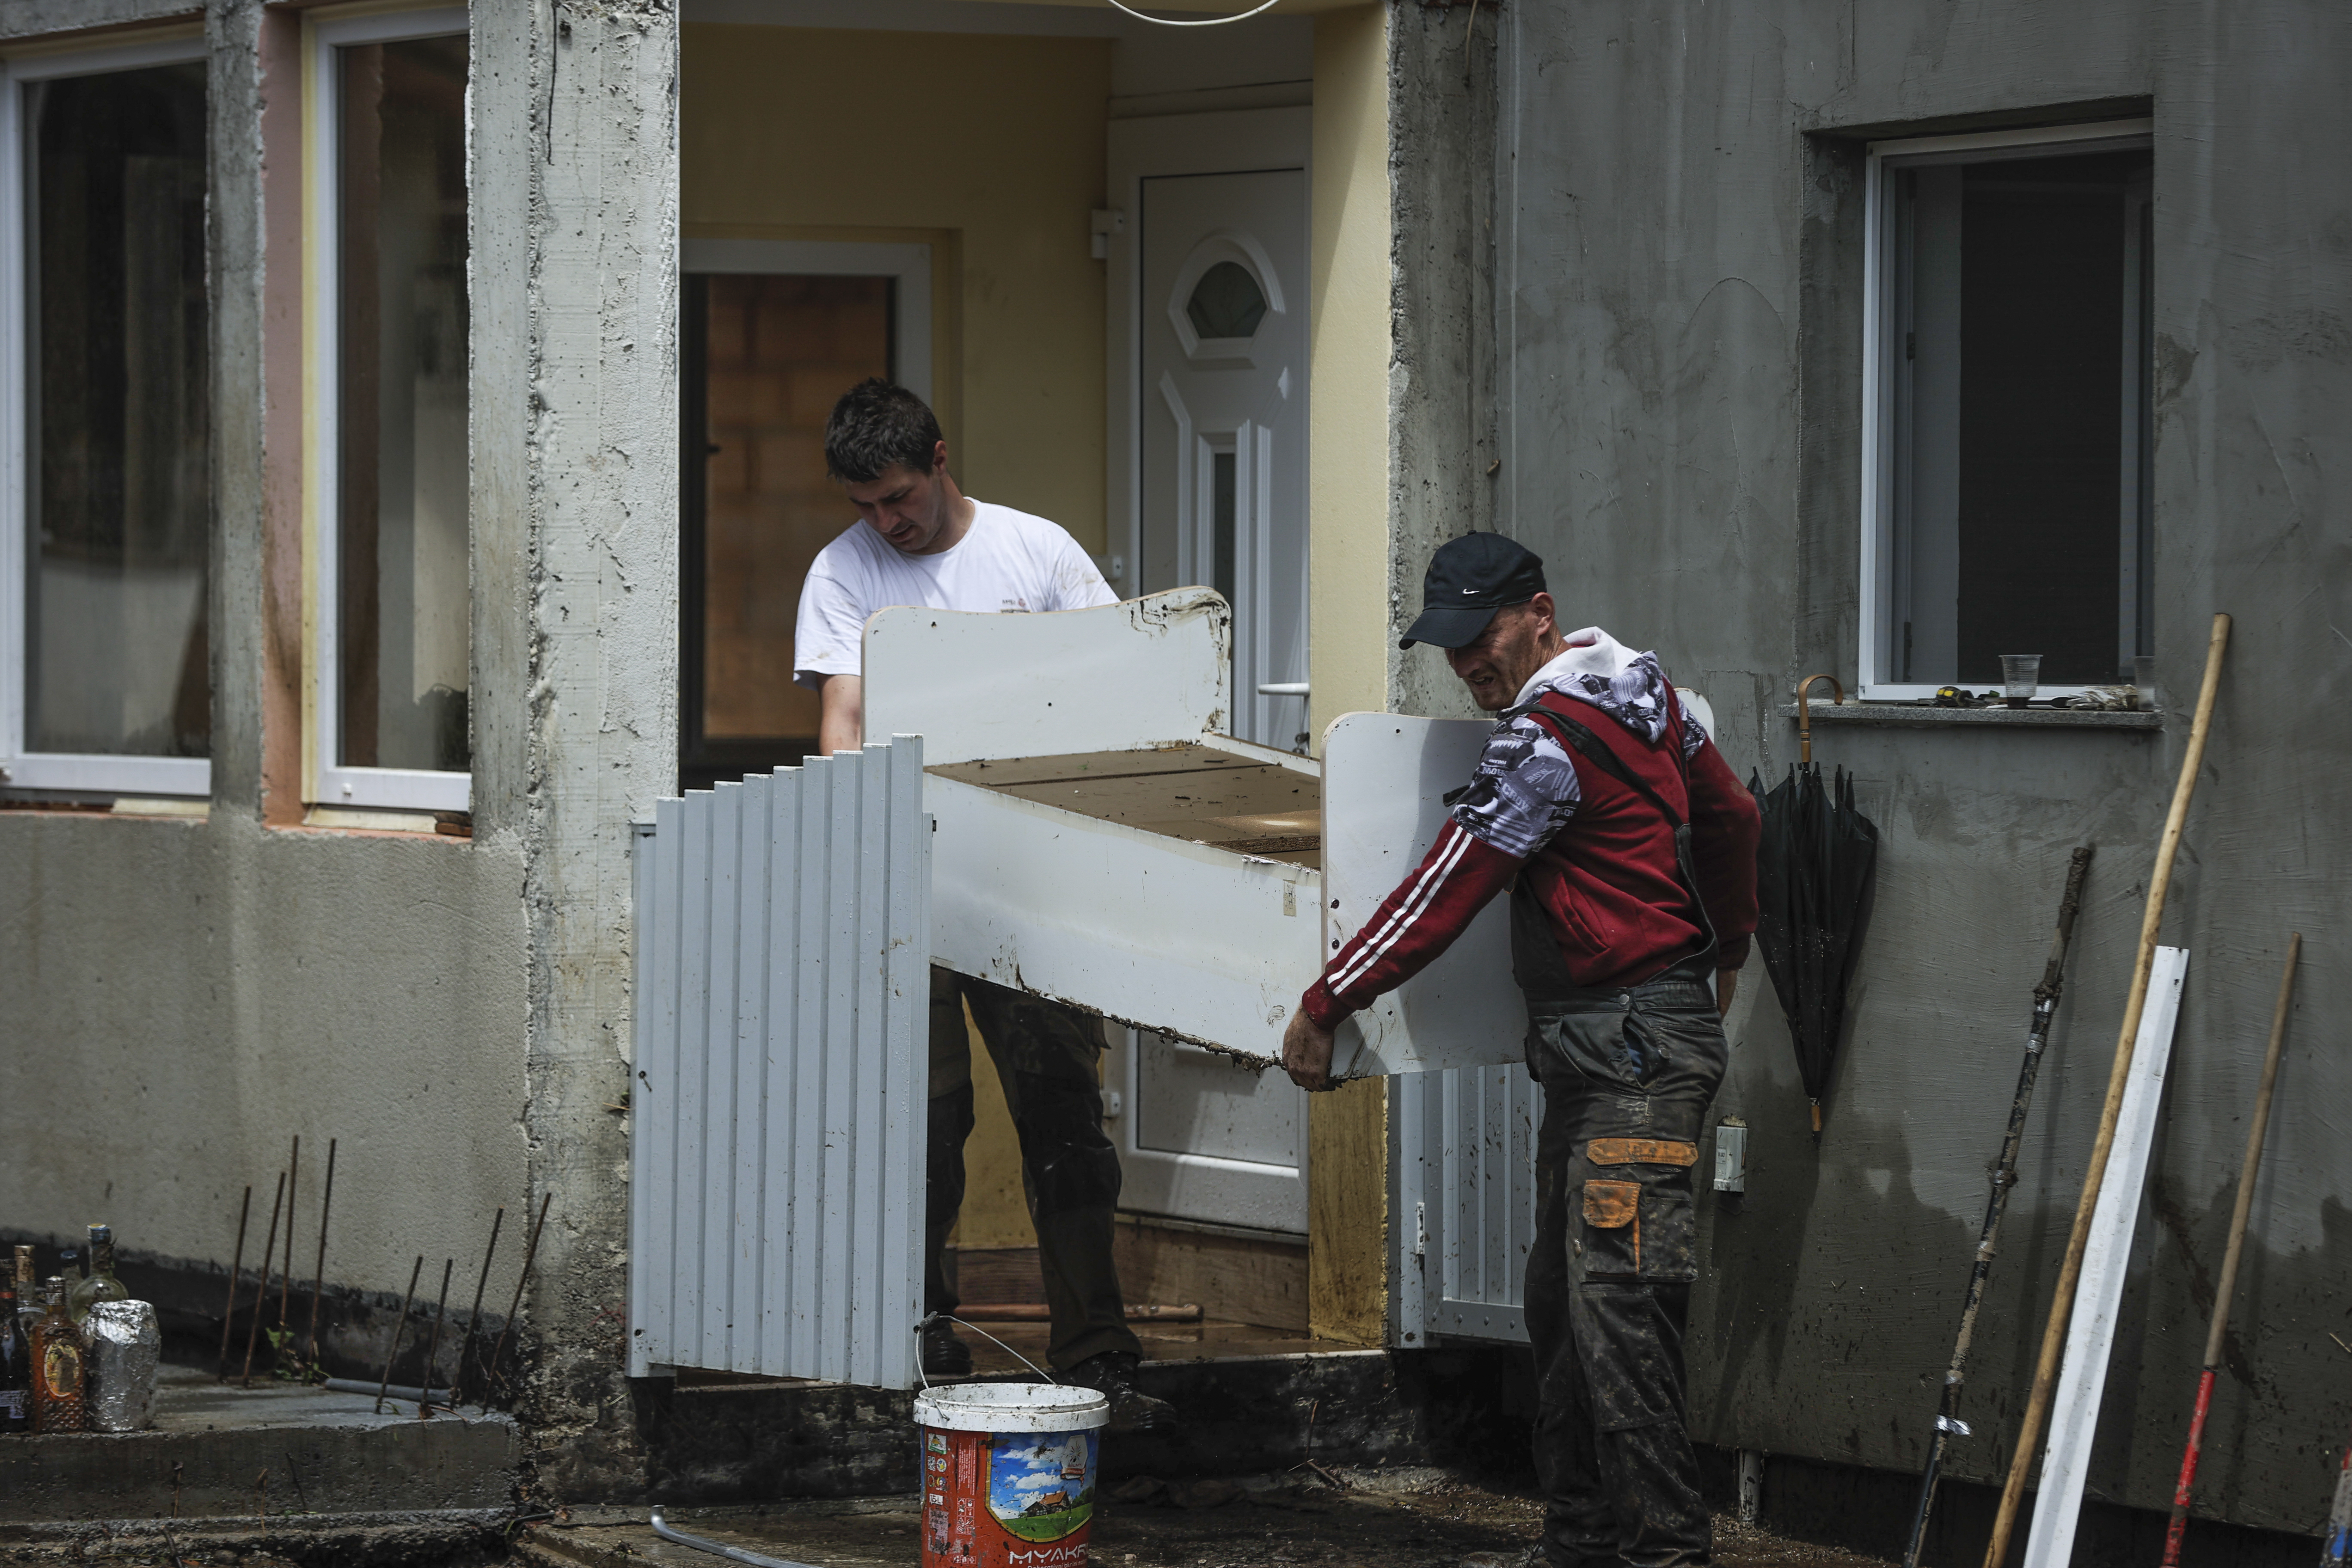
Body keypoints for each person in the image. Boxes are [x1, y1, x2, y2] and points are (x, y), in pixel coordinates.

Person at [1280, 533, 1759, 1568]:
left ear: (1540, 614)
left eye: (1480, 637)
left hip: (1630, 1057)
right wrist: (1727, 945)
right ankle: (1578, 1540)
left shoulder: (1543, 744)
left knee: (1620, 1320)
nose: (1465, 664)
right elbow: (1731, 817)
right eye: (1449, 646)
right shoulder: (1644, 692)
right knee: (1565, 1306)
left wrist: (1328, 1002)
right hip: (1607, 1053)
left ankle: (1668, 1554)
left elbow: (1444, 890)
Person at [793, 379, 1172, 1433]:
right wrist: (858, 844)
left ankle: (1097, 1353)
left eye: (900, 498)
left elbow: (1117, 686)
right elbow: (842, 724)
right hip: (910, 886)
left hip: (1034, 883)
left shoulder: (1035, 552)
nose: (887, 523)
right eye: (866, 506)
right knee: (921, 1122)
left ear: (940, 459)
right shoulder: (842, 572)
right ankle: (919, 1332)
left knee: (1064, 1117)